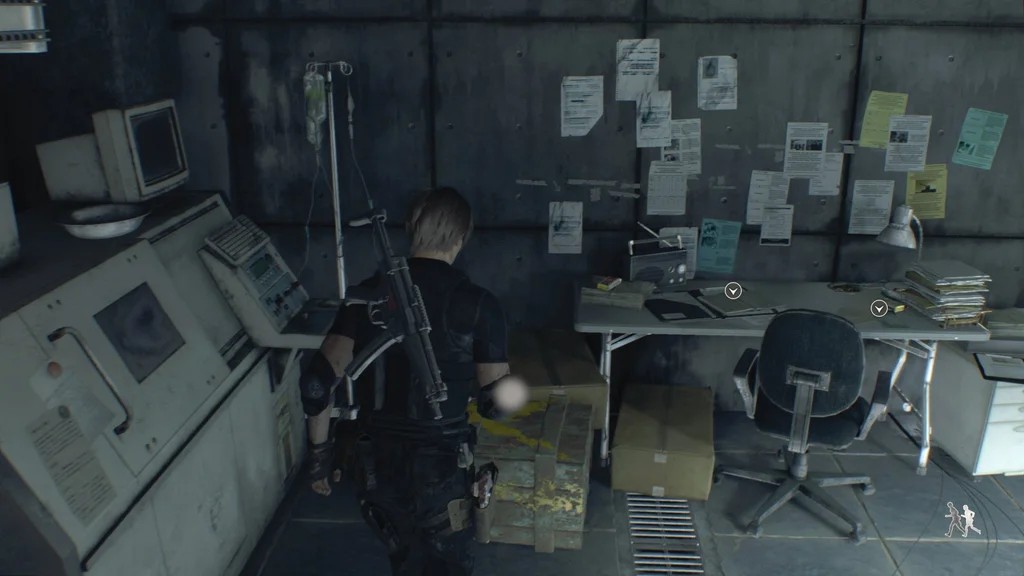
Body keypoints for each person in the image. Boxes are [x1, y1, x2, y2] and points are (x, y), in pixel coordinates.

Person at [299, 187, 526, 575]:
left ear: (410, 228)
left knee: (405, 560)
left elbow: (317, 385)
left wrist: (319, 457)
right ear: (461, 237)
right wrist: (512, 392)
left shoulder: (367, 295)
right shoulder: (479, 304)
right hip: (442, 474)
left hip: (375, 468)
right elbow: (494, 406)